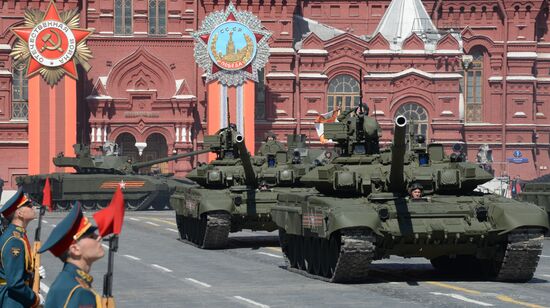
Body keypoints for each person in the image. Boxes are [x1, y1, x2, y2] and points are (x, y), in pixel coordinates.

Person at [39, 203, 104, 308]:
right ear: (75, 249)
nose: (98, 237)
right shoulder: (80, 291)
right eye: (92, 236)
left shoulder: (66, 281)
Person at [0, 187, 43, 307]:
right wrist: (35, 299)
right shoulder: (14, 241)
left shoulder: (19, 235)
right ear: (20, 213)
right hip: (11, 300)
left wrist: (33, 272)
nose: (33, 207)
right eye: (28, 205)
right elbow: (14, 283)